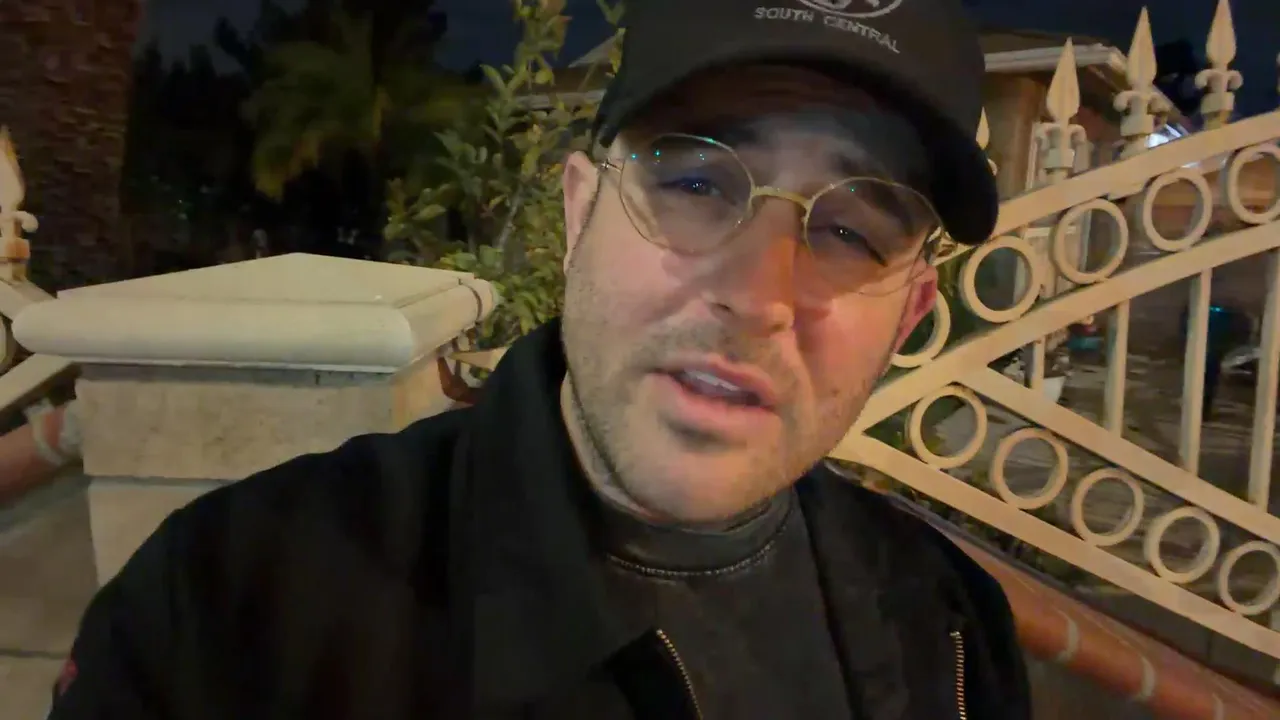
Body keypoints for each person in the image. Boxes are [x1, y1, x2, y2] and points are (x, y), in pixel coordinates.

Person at [50, 0, 1031, 718]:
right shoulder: (230, 614)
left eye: (852, 233)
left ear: (907, 317)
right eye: (695, 182)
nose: (759, 295)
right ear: (577, 214)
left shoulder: (948, 623)